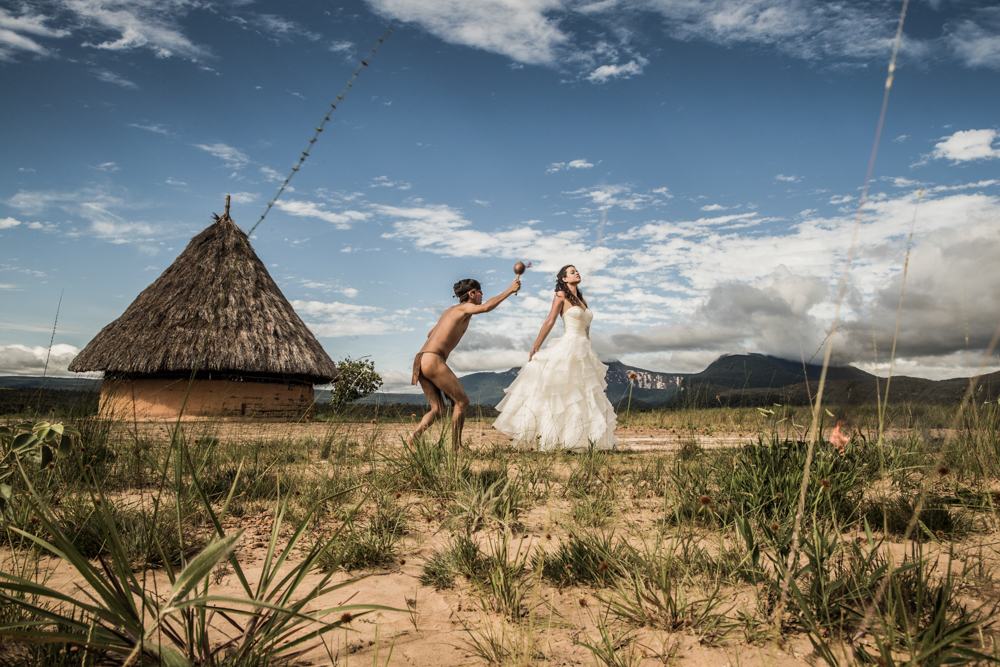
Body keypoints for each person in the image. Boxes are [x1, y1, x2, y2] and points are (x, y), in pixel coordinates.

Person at [493, 265, 618, 452]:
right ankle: (551, 438)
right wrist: (536, 346)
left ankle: (577, 440)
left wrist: (590, 349)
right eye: (572, 272)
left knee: (582, 394)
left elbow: (586, 329)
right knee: (563, 392)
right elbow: (550, 320)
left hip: (584, 348)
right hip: (569, 345)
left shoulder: (581, 300)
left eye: (577, 271)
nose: (577, 273)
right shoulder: (561, 295)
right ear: (564, 279)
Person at [408, 276, 521, 452]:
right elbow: (486, 307)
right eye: (480, 292)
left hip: (421, 359)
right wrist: (510, 289)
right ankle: (456, 448)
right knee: (462, 401)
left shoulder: (450, 311)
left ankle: (414, 436)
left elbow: (430, 333)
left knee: (438, 410)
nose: (482, 295)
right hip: (433, 358)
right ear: (472, 293)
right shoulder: (465, 307)